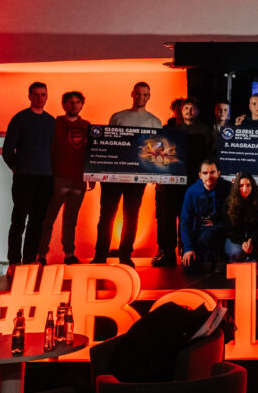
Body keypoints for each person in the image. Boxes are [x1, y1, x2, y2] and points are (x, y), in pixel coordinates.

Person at [94, 81, 162, 267]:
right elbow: (108, 145)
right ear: (132, 94)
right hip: (113, 176)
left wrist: (157, 176)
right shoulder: (117, 117)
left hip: (137, 177)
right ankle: (100, 256)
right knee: (106, 216)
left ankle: (125, 256)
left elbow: (156, 152)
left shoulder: (154, 121)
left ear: (149, 97)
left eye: (145, 94)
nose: (141, 97)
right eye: (138, 93)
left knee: (131, 217)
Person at [153, 98, 215, 267]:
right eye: (186, 108)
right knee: (168, 218)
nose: (189, 111)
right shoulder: (170, 129)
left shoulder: (205, 130)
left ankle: (186, 251)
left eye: (192, 108)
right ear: (181, 110)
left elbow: (210, 154)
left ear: (197, 111)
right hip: (171, 182)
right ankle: (168, 253)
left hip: (194, 182)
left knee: (189, 218)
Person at [2, 82, 56, 270]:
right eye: (36, 94)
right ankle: (14, 261)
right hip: (24, 177)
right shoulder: (20, 119)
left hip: (46, 178)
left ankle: (29, 261)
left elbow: (55, 151)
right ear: (29, 96)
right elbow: (7, 150)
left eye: (43, 94)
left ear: (47, 96)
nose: (39, 98)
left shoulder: (51, 122)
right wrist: (17, 168)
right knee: (19, 220)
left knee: (37, 222)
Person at [38, 90, 94, 265]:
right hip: (58, 177)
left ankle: (69, 254)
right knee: (48, 219)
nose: (74, 105)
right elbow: (48, 150)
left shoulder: (87, 126)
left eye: (78, 102)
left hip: (79, 179)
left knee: (71, 220)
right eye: (70, 102)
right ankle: (41, 255)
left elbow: (92, 153)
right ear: (63, 104)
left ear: (82, 105)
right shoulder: (55, 124)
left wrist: (92, 175)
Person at [180, 159, 230, 273]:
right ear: (200, 175)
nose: (209, 176)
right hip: (199, 234)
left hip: (220, 233)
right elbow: (185, 221)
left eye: (212, 172)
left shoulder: (228, 188)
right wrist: (188, 248)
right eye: (205, 173)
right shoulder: (192, 191)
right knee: (188, 267)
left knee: (210, 234)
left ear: (218, 173)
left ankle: (218, 258)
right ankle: (206, 260)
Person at [224, 172, 258, 265]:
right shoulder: (228, 204)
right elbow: (229, 230)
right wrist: (242, 242)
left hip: (253, 239)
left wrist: (251, 239)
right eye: (241, 185)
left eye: (248, 185)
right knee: (238, 252)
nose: (245, 189)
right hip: (235, 240)